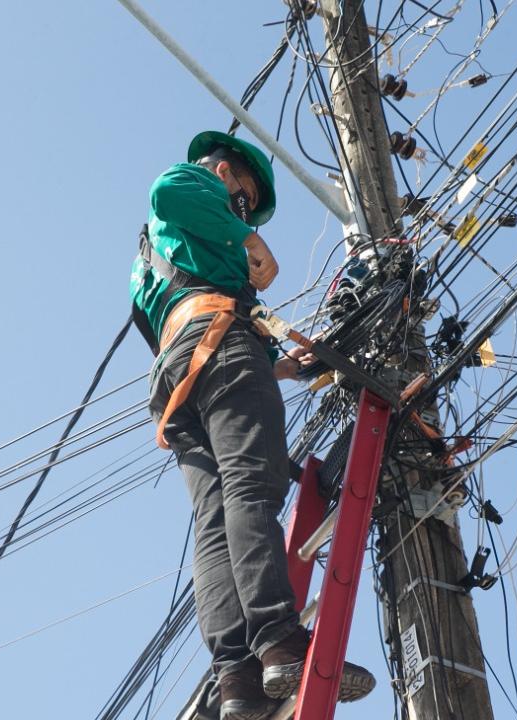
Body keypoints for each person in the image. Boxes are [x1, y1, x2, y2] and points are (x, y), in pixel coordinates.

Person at [129, 131, 374, 720]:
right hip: (219, 346)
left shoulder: (159, 258)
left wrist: (280, 366)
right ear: (223, 170)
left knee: (214, 523)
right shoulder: (189, 184)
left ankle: (234, 679)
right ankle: (279, 641)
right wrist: (248, 234)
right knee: (252, 490)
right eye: (242, 194)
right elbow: (170, 190)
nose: (241, 207)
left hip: (178, 377)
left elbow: (189, 308)